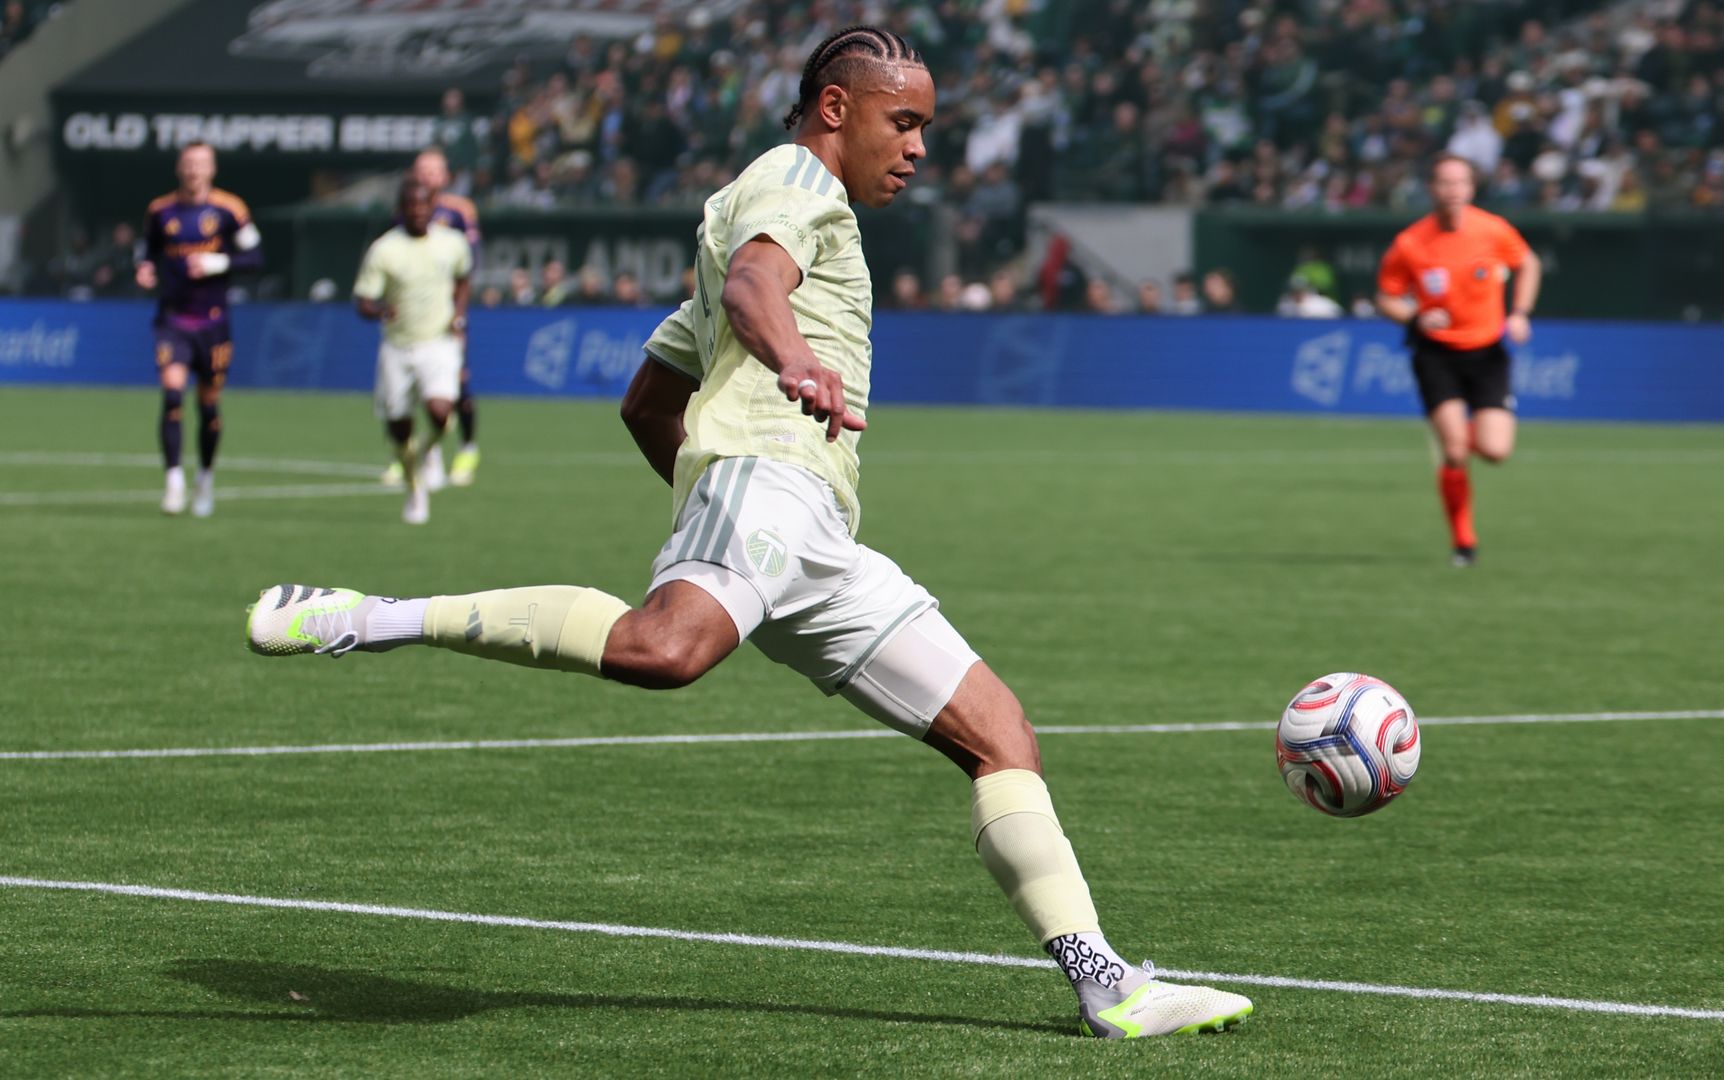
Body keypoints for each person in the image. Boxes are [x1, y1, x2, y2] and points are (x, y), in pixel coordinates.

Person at [246, 25, 1251, 1041]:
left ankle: (1106, 984)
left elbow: (648, 402)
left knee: (1001, 735)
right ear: (835, 109)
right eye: (902, 122)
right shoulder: (789, 186)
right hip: (772, 489)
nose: (917, 148)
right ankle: (374, 617)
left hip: (815, 535)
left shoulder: (776, 218)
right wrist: (792, 371)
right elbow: (753, 289)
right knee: (666, 650)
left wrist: (705, 498)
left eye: (927, 128)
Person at [1375, 154, 1541, 567]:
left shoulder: (1492, 230)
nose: (1452, 191)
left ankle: (1463, 429)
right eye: (1444, 183)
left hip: (1487, 353)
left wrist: (1519, 313)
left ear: (1471, 188)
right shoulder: (1410, 243)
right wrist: (1414, 314)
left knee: (1495, 451)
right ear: (1431, 189)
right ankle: (1464, 542)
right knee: (1453, 450)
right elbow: (1385, 297)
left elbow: (1529, 264)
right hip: (1436, 354)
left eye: (1460, 183)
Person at [136, 141, 262, 517]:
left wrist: (216, 263)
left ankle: (204, 478)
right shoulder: (160, 211)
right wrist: (143, 269)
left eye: (201, 164)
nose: (194, 171)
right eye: (188, 164)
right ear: (179, 167)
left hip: (213, 322)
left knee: (208, 406)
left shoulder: (230, 209)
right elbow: (147, 251)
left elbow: (256, 257)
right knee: (172, 396)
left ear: (212, 169)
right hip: (173, 319)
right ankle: (173, 482)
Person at [351, 179, 472, 525]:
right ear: (401, 210)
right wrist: (379, 310)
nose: (418, 212)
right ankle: (414, 484)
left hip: (439, 342)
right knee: (399, 428)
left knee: (439, 411)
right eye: (411, 206)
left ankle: (427, 454)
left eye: (424, 205)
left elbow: (465, 277)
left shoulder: (452, 242)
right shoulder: (385, 249)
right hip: (398, 346)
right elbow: (363, 300)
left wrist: (459, 312)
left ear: (432, 206)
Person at [382, 149, 486, 490]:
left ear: (445, 176)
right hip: (410, 319)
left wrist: (457, 311)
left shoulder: (459, 210)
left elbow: (470, 261)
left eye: (434, 171)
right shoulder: (404, 211)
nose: (428, 177)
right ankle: (414, 454)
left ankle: (467, 449)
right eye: (422, 170)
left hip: (446, 316)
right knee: (408, 393)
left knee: (458, 385)